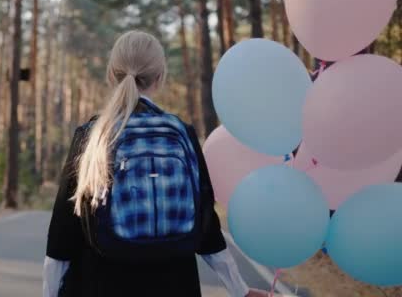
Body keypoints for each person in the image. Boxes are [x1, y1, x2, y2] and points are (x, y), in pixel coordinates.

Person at [43, 30, 270, 297]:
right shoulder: (182, 133)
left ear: (110, 74)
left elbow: (62, 239)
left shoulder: (93, 136)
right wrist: (240, 290)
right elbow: (206, 226)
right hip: (175, 285)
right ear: (160, 76)